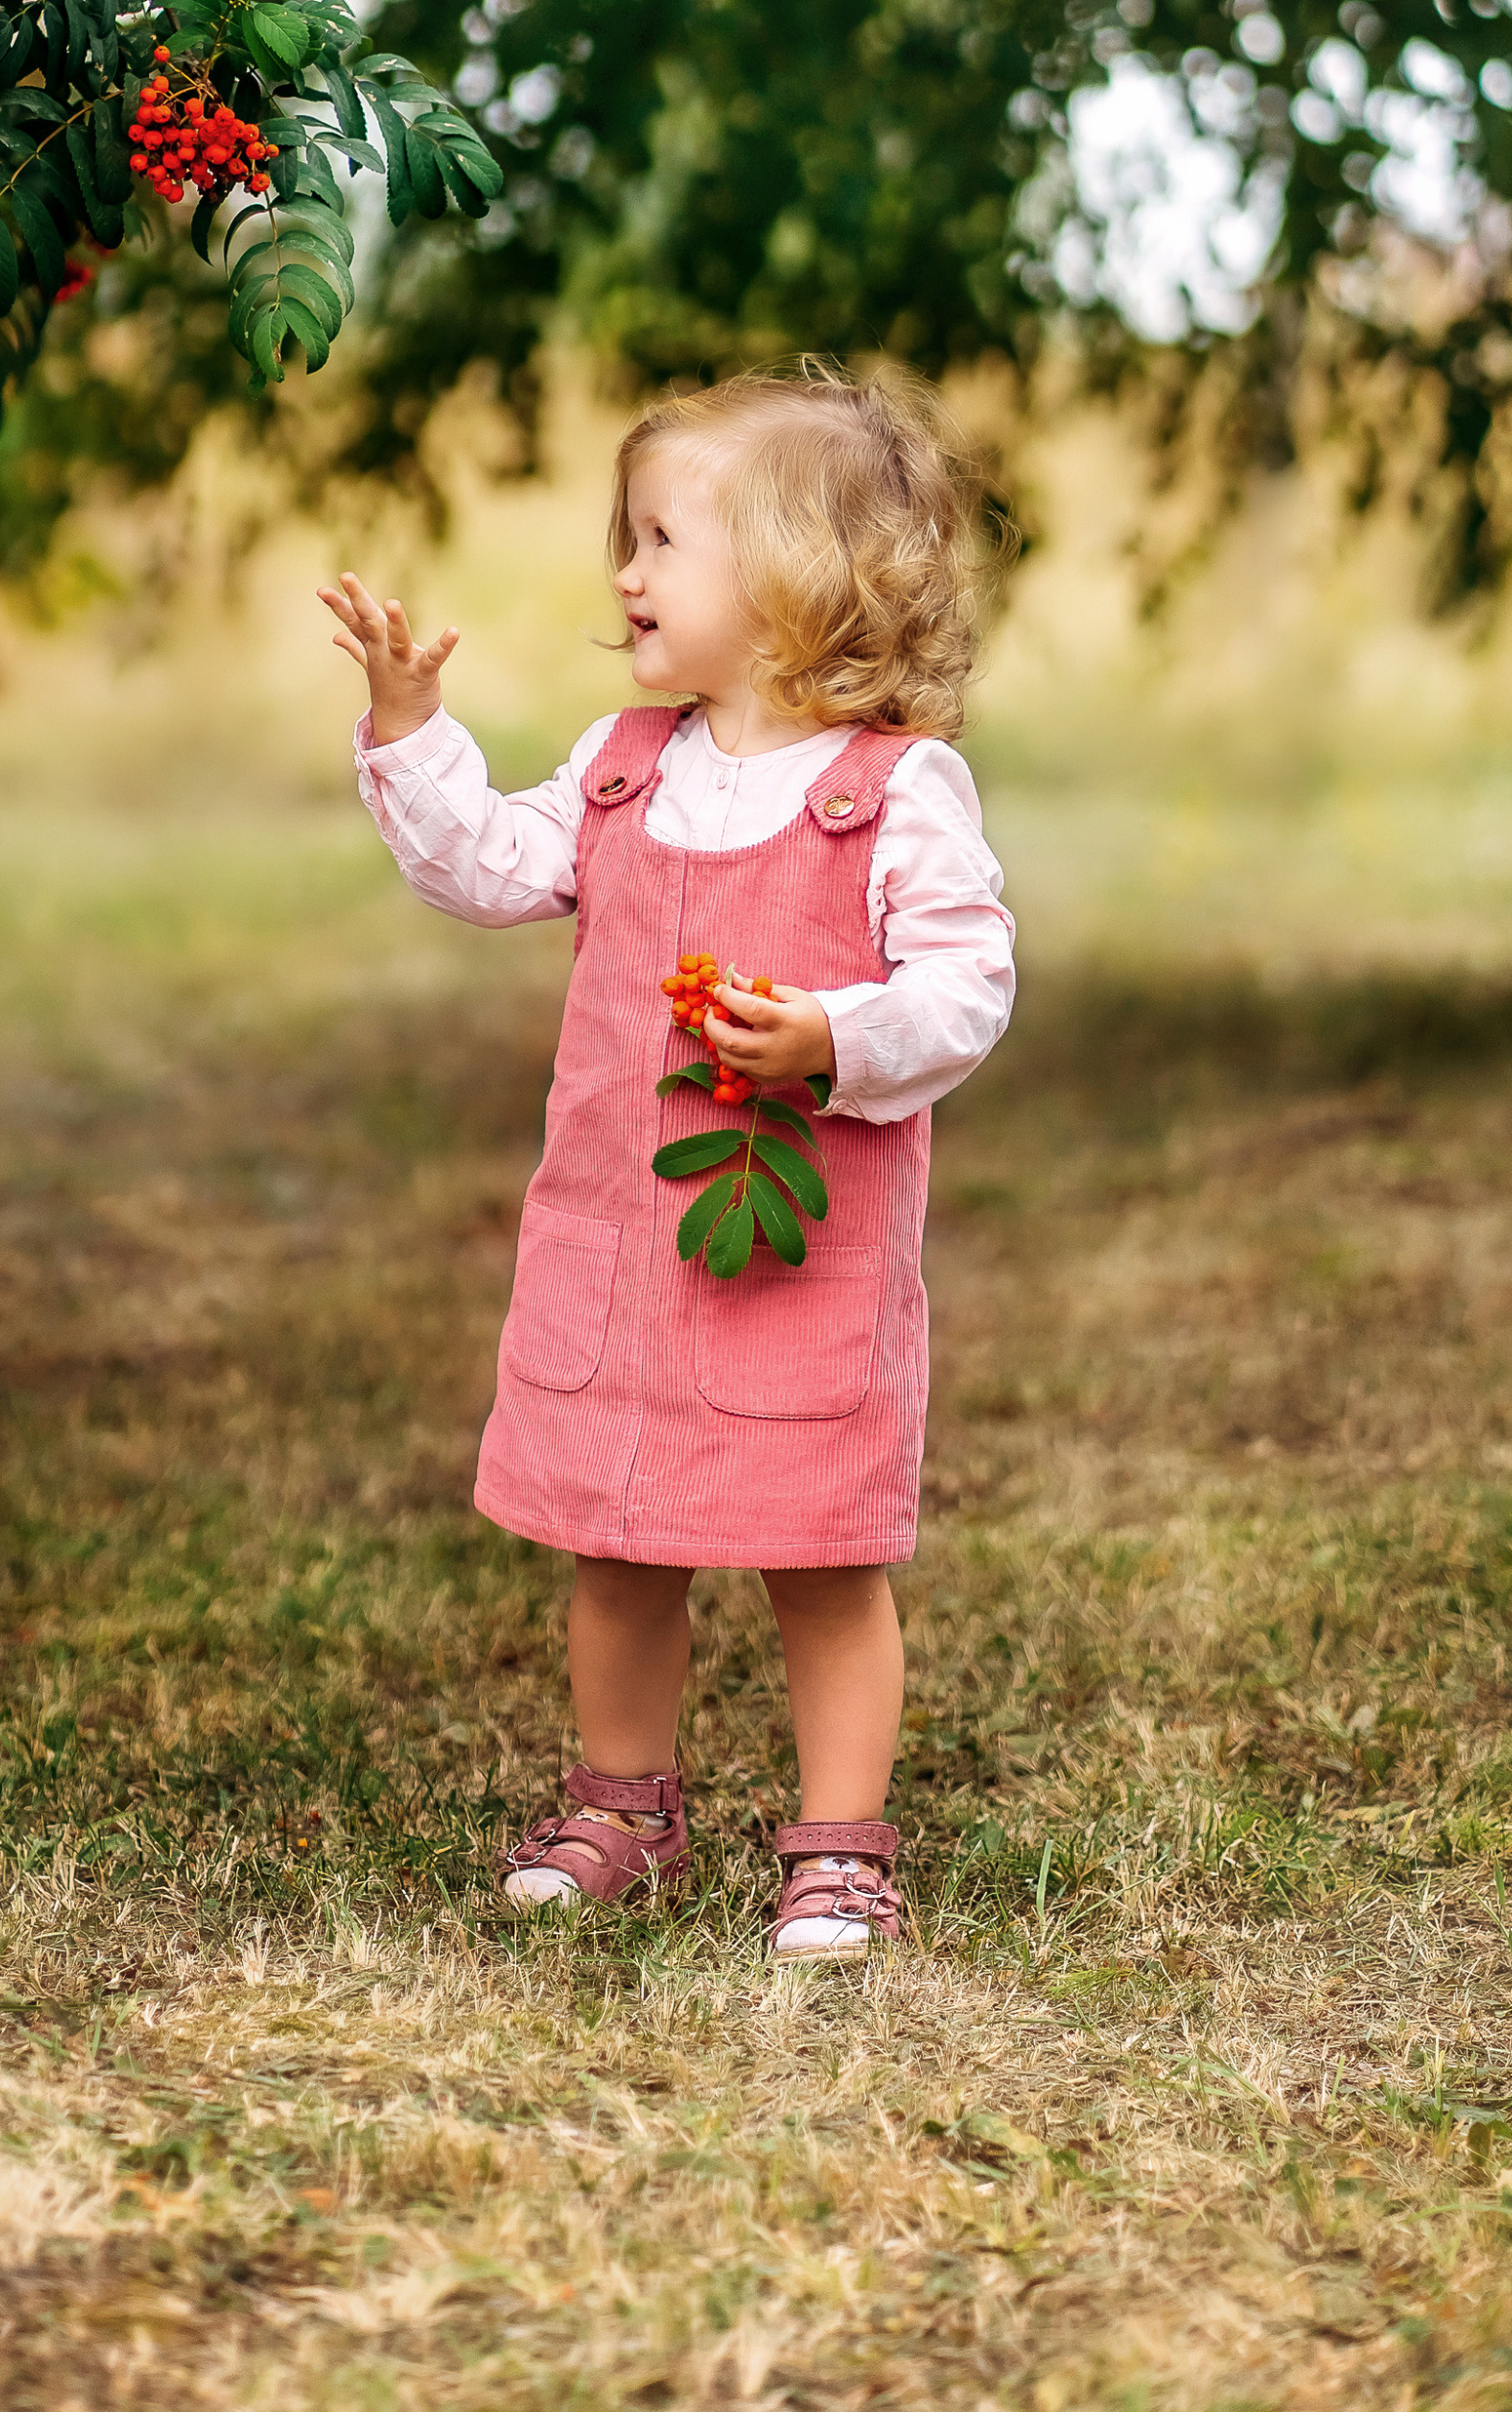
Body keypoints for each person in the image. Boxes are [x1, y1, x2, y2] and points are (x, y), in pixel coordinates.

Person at [321, 365, 1015, 1963]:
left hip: (794, 1252)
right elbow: (492, 868)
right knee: (617, 1540)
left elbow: (968, 986)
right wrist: (415, 733)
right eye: (623, 539)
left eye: (659, 540)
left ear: (794, 580)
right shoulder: (629, 764)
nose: (623, 574)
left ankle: (839, 1846)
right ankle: (624, 1800)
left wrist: (833, 1040)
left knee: (819, 1556)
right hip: (623, 1251)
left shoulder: (892, 791)